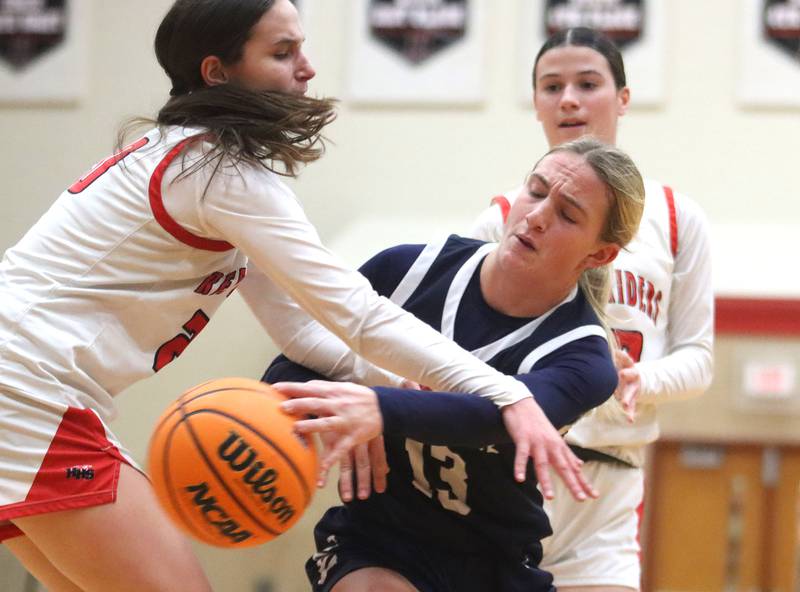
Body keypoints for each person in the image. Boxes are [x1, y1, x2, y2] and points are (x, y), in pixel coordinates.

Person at [0, 2, 587, 590]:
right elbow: (354, 311)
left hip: (27, 392)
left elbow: (299, 329)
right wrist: (505, 393)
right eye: (282, 53)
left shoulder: (192, 159)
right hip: (27, 393)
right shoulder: (218, 172)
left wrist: (383, 382)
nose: (307, 68)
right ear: (217, 72)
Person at [264, 137, 646, 592]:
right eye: (537, 191)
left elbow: (500, 418)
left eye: (567, 214)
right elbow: (291, 365)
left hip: (491, 561)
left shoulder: (582, 356)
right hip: (377, 540)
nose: (538, 216)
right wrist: (337, 406)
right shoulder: (407, 270)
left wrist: (378, 407)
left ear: (598, 254)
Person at [468, 27, 714, 592]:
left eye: (588, 83)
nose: (569, 99)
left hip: (610, 479)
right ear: (536, 104)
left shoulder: (677, 217)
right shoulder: (501, 216)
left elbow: (698, 359)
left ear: (623, 98)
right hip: (506, 467)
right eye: (551, 86)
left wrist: (636, 379)